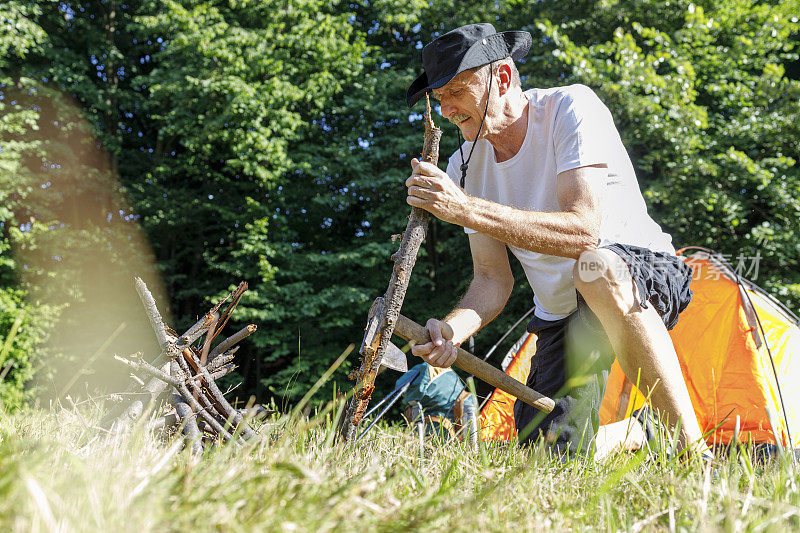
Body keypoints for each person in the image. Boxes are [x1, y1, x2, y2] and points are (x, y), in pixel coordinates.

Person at [404, 23, 709, 456]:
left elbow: (584, 231)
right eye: (440, 99)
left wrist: (466, 209)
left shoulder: (569, 107)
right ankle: (635, 434)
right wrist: (452, 330)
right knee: (548, 453)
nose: (448, 109)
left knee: (594, 267)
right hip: (564, 312)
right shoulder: (462, 168)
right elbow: (492, 280)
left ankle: (692, 452)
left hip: (638, 272)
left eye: (456, 91)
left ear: (503, 78)